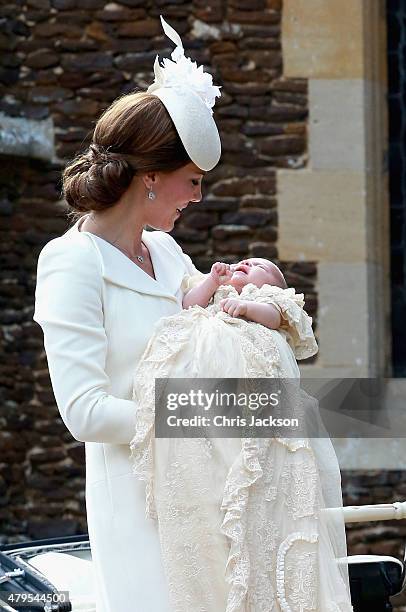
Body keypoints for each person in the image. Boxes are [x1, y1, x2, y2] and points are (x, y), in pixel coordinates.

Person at [33, 16, 222, 612]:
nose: (196, 197)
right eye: (190, 181)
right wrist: (200, 416)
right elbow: (84, 411)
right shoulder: (70, 263)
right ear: (149, 178)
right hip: (138, 509)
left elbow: (217, 333)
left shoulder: (164, 250)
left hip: (208, 492)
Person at [130, 258, 354, 611]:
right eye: (243, 262)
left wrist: (249, 306)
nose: (246, 263)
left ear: (275, 283)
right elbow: (188, 304)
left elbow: (277, 317)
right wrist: (211, 283)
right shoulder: (212, 291)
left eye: (260, 265)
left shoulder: (271, 300)